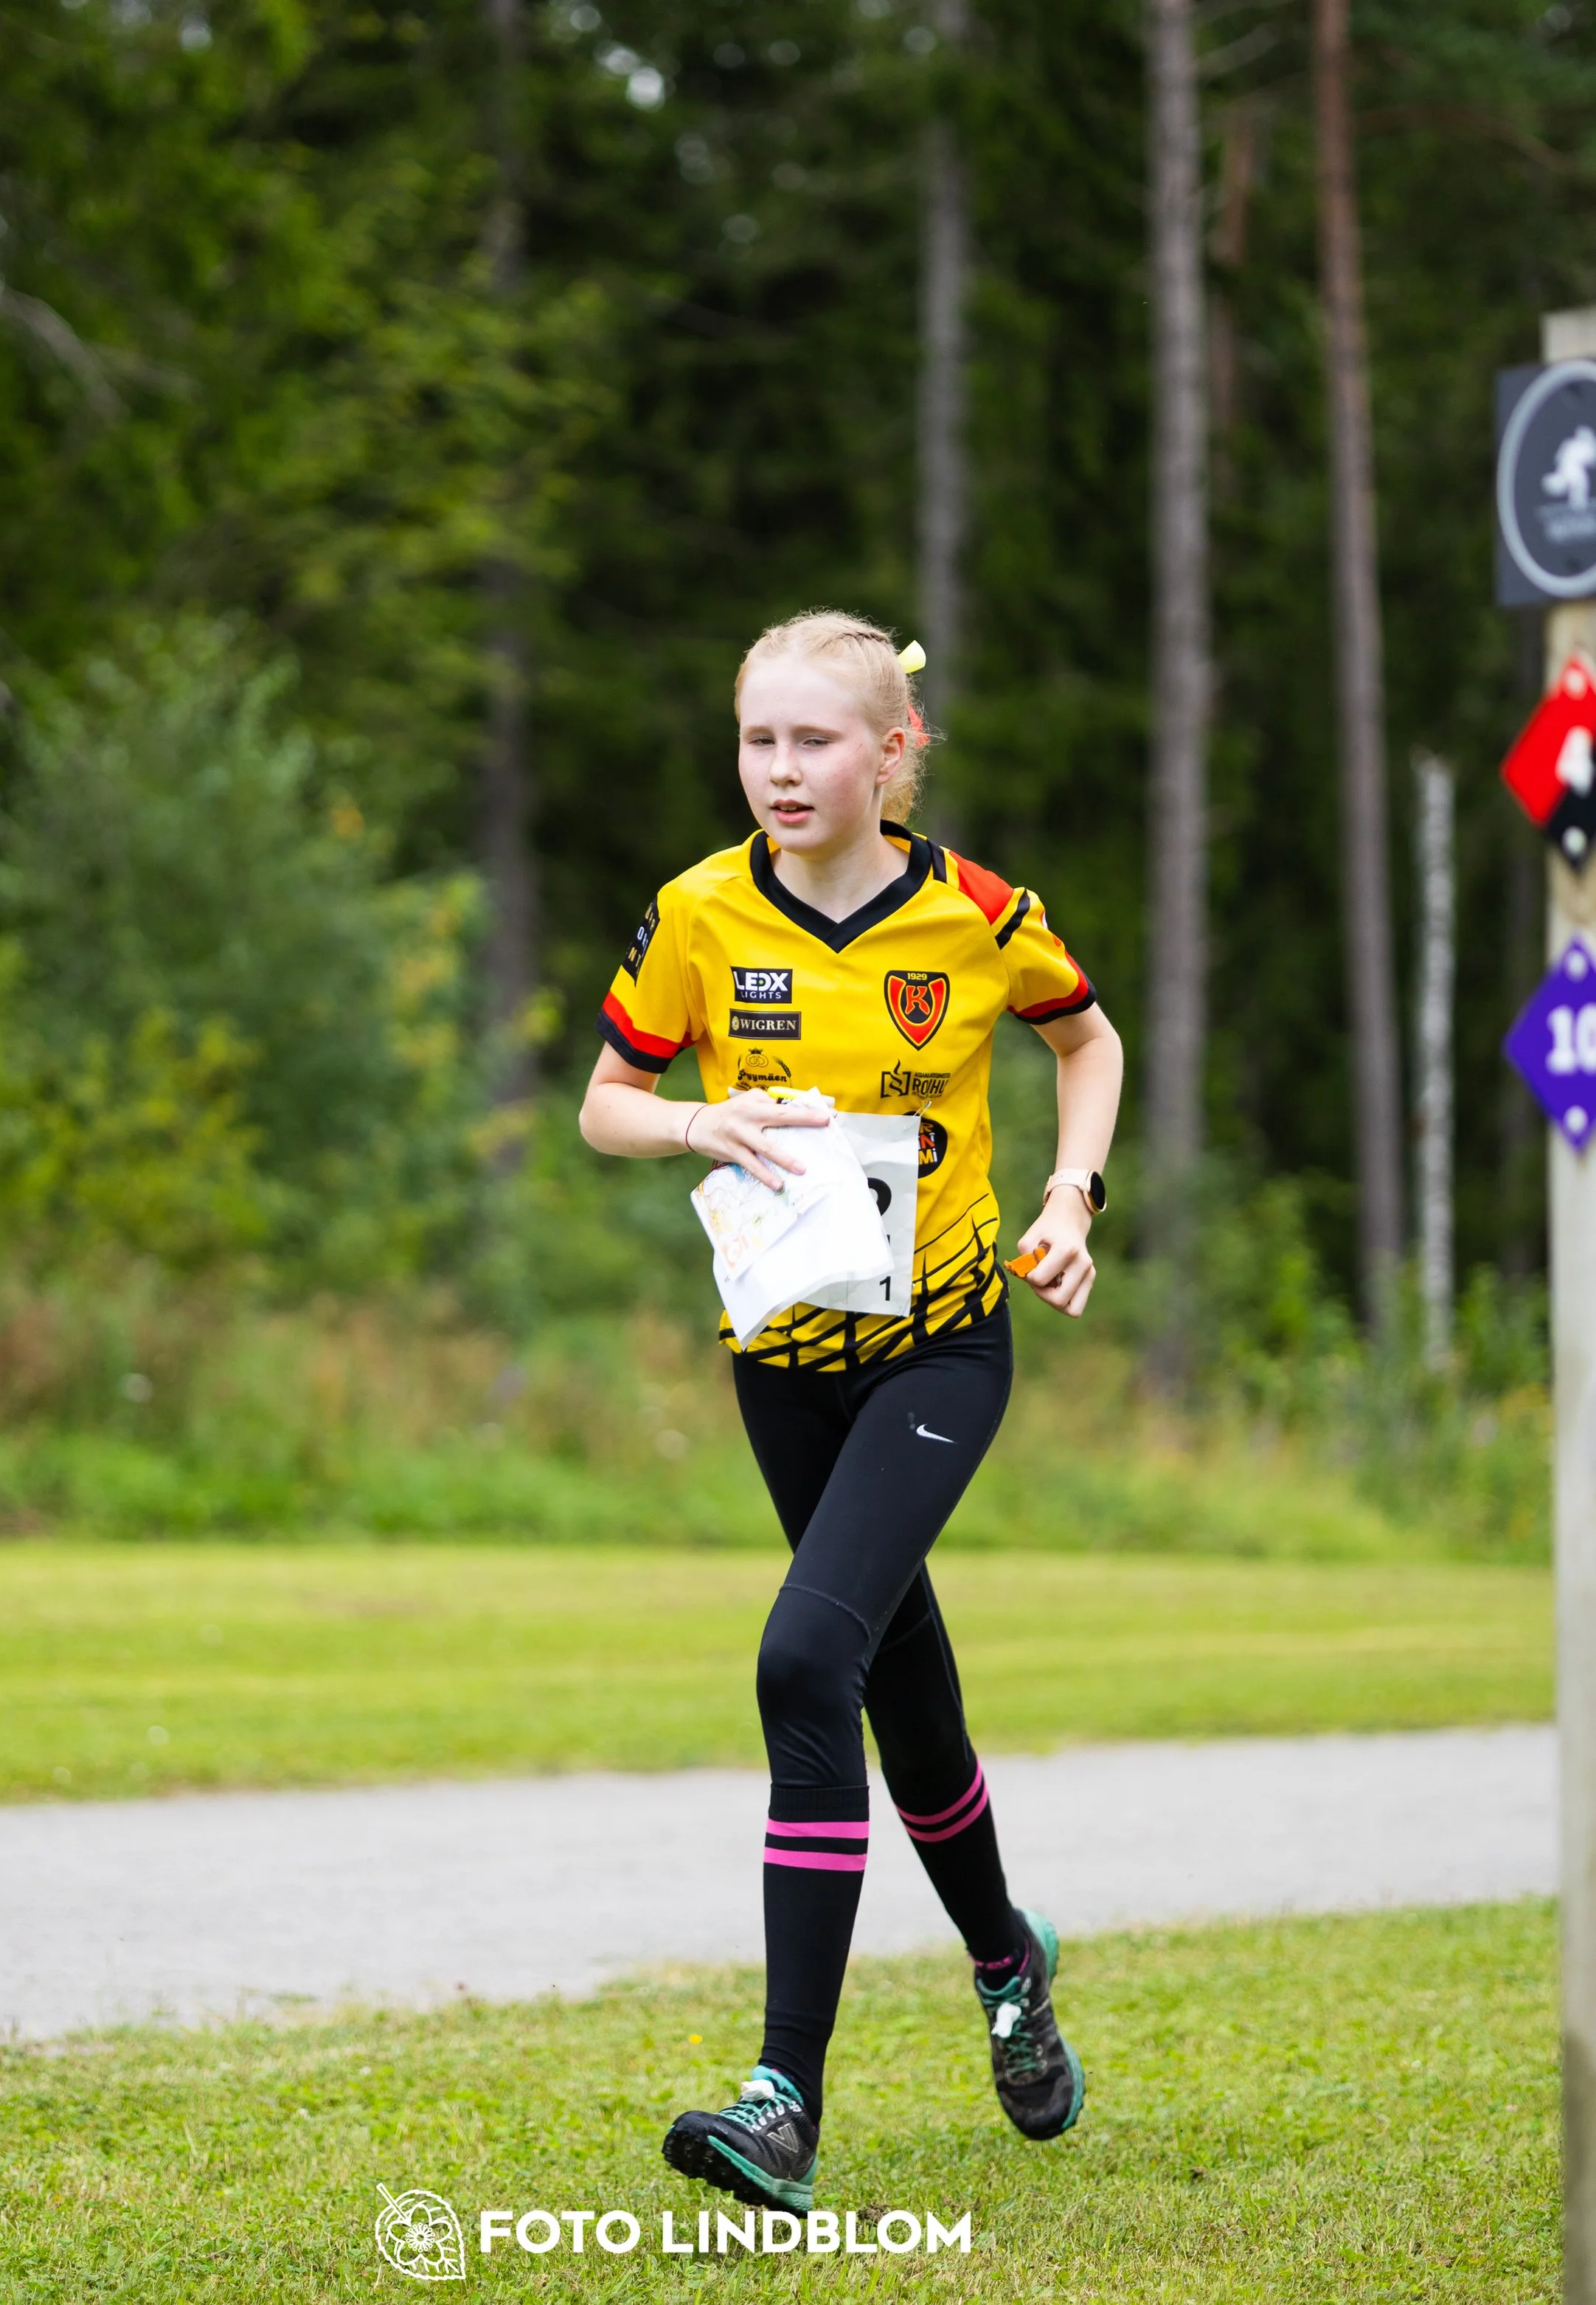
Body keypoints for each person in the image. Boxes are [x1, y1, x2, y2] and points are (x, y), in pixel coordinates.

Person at [578, 609, 1123, 2214]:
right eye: (757, 739)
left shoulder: (970, 912)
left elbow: (1082, 1038)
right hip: (780, 1365)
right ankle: (1008, 1959)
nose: (779, 770)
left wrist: (1072, 1194)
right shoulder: (696, 908)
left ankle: (778, 2098)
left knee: (802, 1655)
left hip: (940, 1355)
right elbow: (604, 1102)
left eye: (813, 740)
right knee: (905, 1696)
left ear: (891, 754)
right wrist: (697, 1125)